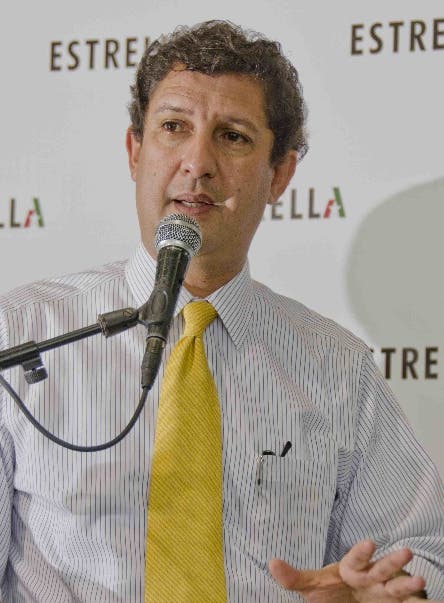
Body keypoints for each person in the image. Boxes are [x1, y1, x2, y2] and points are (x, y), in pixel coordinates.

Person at [0, 19, 442, 602]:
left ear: (280, 174)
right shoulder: (22, 335)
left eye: (232, 136)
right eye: (173, 128)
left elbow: (422, 551)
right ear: (135, 152)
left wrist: (388, 592)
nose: (197, 162)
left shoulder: (340, 368)